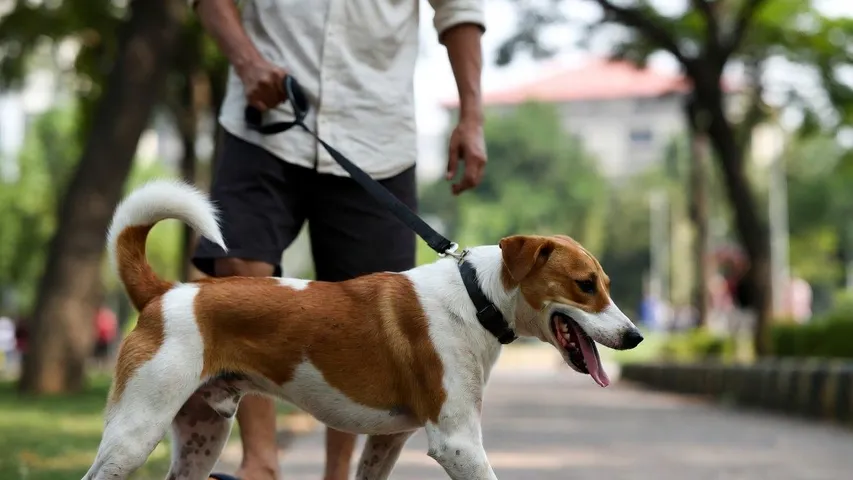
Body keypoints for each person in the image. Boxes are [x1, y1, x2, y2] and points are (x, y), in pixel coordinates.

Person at [190, 1, 488, 479]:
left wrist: (472, 116)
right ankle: (260, 465)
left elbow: (459, 10)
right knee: (239, 270)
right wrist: (245, 61)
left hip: (375, 134)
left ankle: (338, 474)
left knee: (369, 313)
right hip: (263, 119)